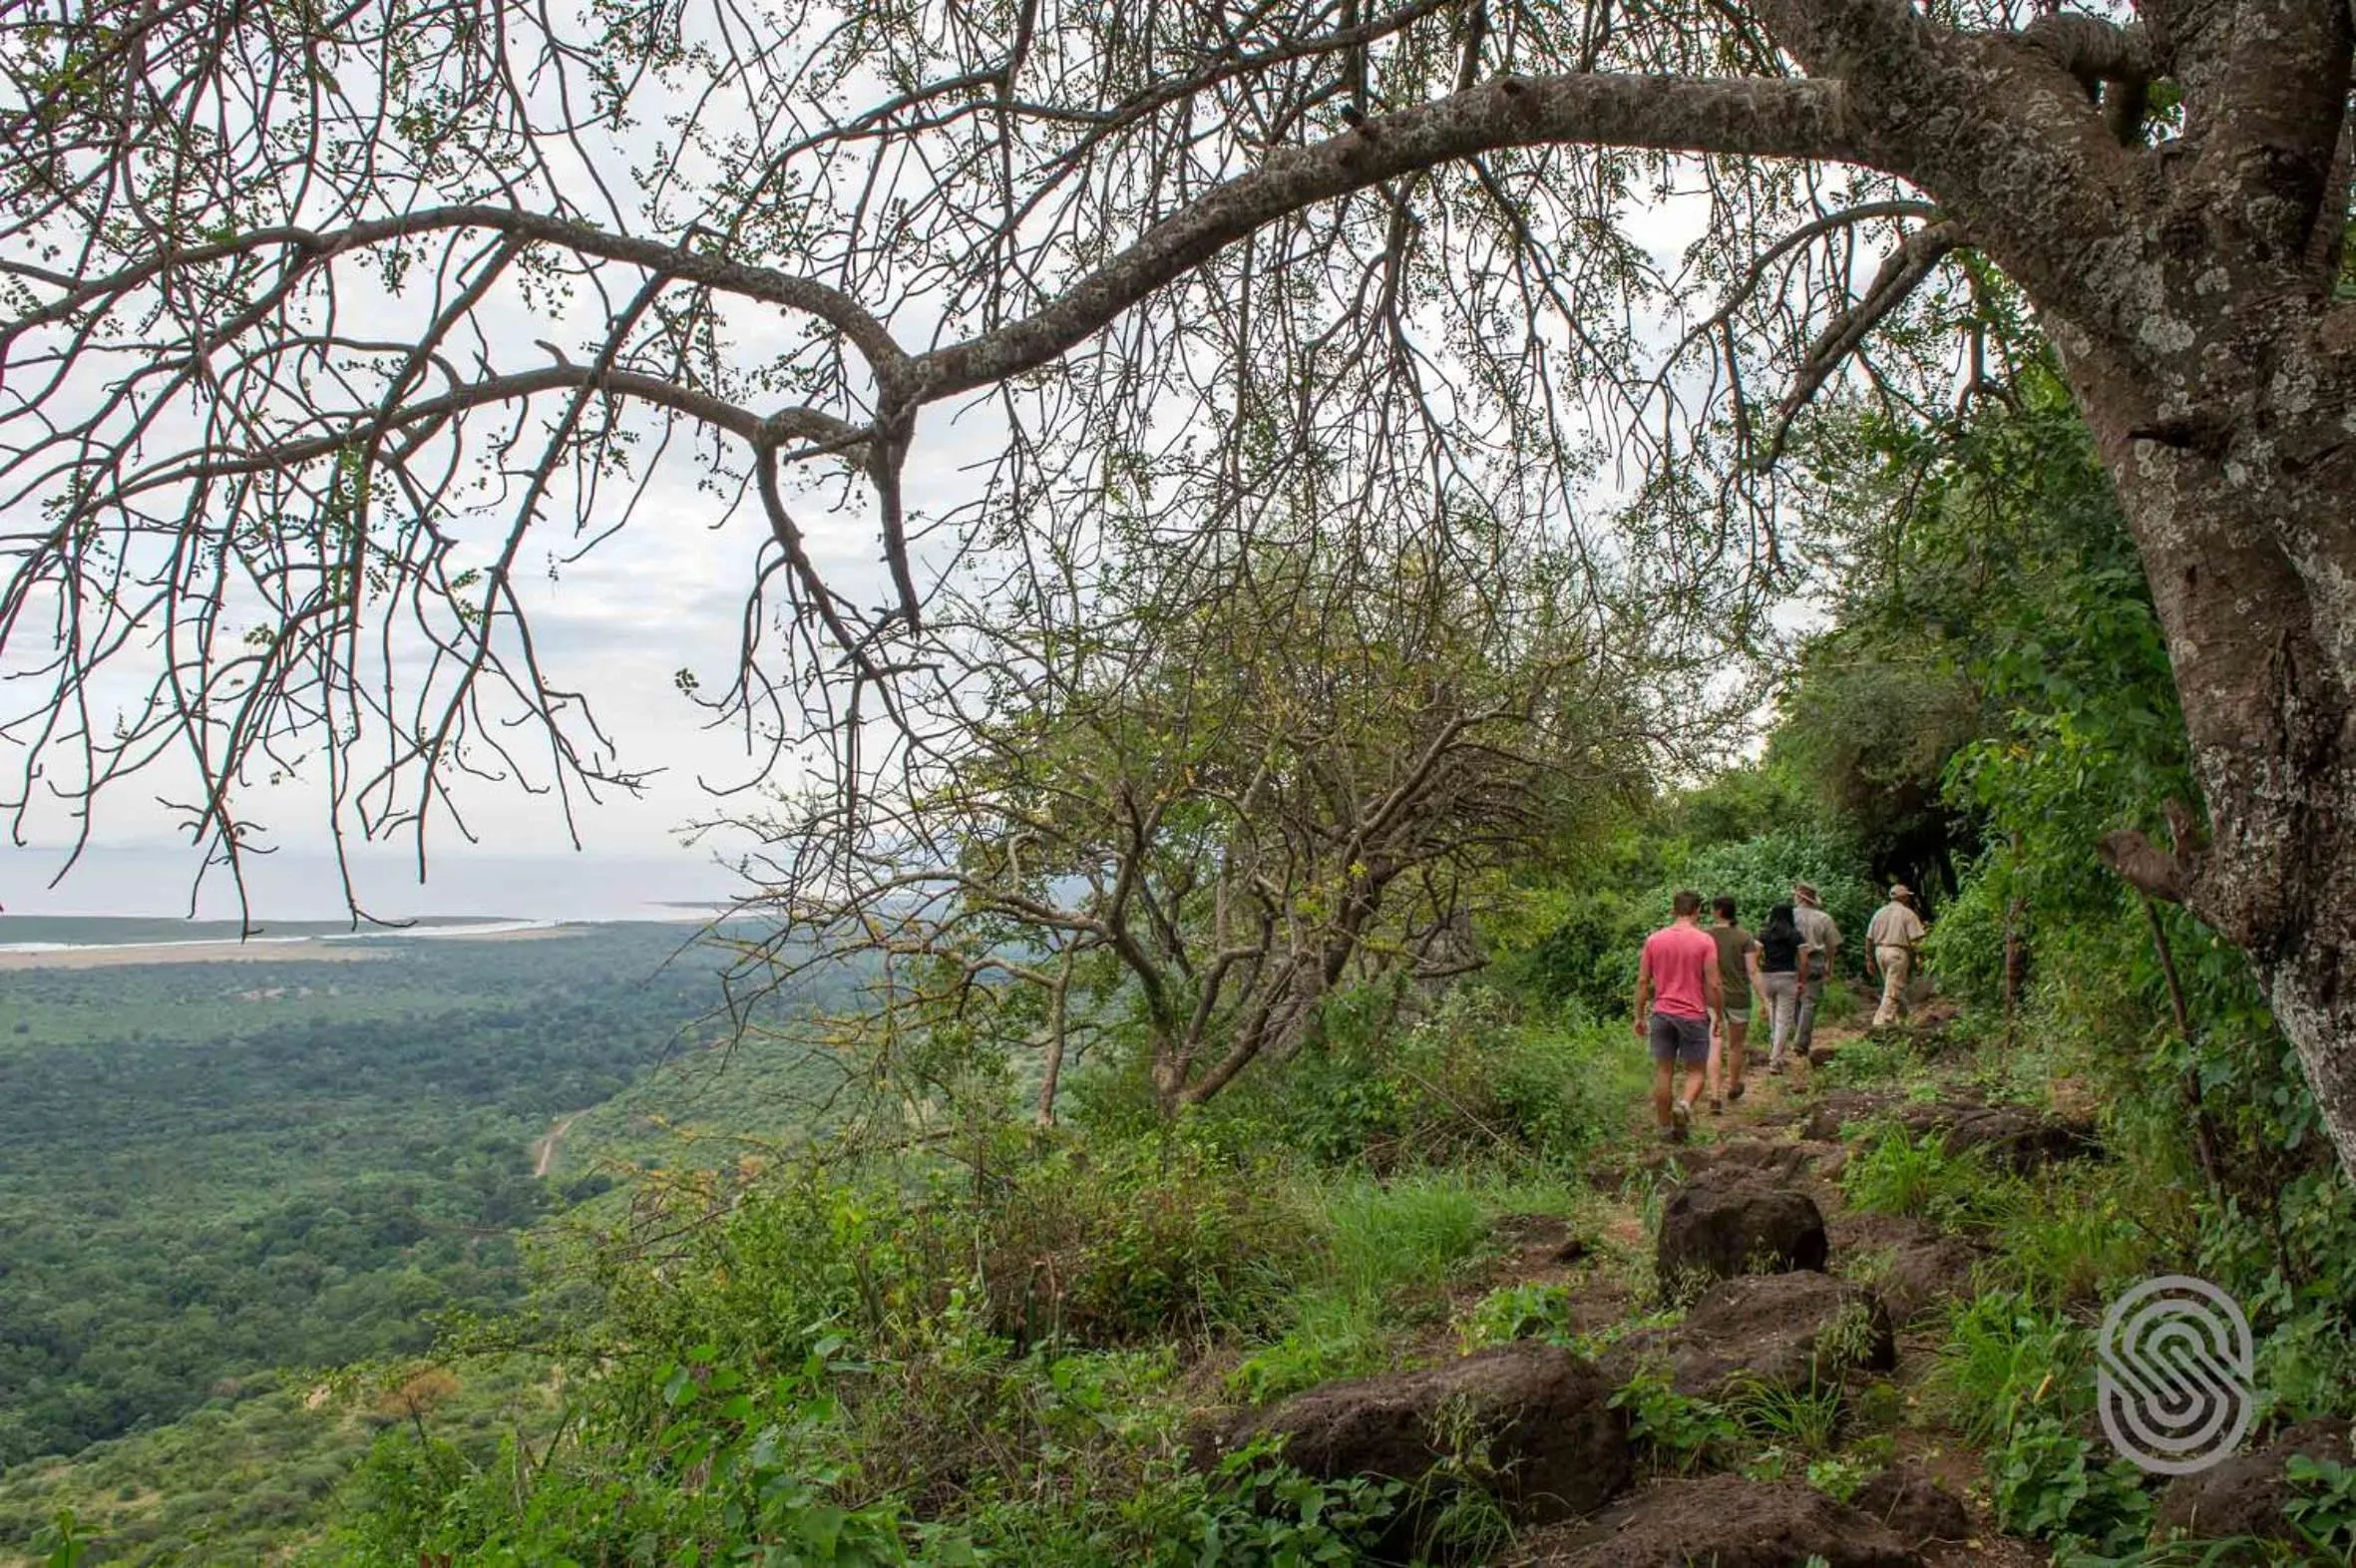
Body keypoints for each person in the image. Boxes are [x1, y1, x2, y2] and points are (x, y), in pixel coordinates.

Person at [1634, 890, 1725, 1142]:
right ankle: (1684, 1105)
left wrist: (1639, 1016)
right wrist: (1718, 1015)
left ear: (1673, 910)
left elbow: (1643, 981)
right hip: (1694, 1015)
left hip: (1661, 1013)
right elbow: (1714, 984)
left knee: (1664, 1071)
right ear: (1697, 911)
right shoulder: (1705, 941)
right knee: (1696, 1071)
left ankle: (1665, 1129)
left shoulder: (1654, 940)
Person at [1705, 896, 1758, 1114]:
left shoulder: (1704, 937)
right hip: (1738, 997)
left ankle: (1714, 1095)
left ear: (1717, 912)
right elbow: (1752, 971)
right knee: (1736, 1045)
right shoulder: (1745, 936)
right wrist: (1765, 1000)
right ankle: (1734, 1084)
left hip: (1710, 996)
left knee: (1714, 1044)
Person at [1756, 902, 1815, 1074]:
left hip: (1767, 977)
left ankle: (1776, 1054)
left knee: (1773, 1015)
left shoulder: (1763, 934)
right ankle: (1775, 1060)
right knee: (1784, 1020)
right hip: (1788, 978)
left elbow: (1756, 955)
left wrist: (1760, 971)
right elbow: (1804, 961)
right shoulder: (1796, 935)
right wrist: (1802, 981)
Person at [1791, 881, 1842, 1059]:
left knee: (1794, 1000)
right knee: (1809, 1002)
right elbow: (1832, 946)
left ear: (1798, 897)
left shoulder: (1788, 916)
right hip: (1814, 960)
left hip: (1792, 960)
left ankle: (1798, 1036)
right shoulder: (1823, 918)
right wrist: (1829, 966)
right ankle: (1801, 1042)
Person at [1866, 884, 1928, 1028]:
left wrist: (1869, 958)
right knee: (1893, 990)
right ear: (1905, 897)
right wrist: (1921, 957)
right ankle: (1881, 1023)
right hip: (1897, 953)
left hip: (1879, 951)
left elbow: (1869, 938)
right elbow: (1917, 940)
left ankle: (1904, 1020)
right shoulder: (1908, 914)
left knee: (1893, 986)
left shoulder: (1879, 913)